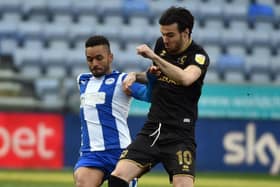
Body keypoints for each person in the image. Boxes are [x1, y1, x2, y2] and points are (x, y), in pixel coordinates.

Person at [108, 6, 210, 187]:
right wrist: (136, 75)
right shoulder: (161, 45)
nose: (165, 39)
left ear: (185, 32)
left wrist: (153, 55)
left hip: (180, 134)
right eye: (163, 34)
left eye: (170, 35)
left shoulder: (198, 56)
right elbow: (157, 76)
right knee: (117, 177)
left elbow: (185, 78)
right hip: (153, 128)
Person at [73, 35, 152, 187]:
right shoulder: (83, 80)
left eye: (99, 58)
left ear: (110, 57)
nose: (94, 63)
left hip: (121, 153)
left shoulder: (123, 81)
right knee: (83, 182)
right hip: (91, 154)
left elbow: (148, 96)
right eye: (89, 59)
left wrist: (148, 78)